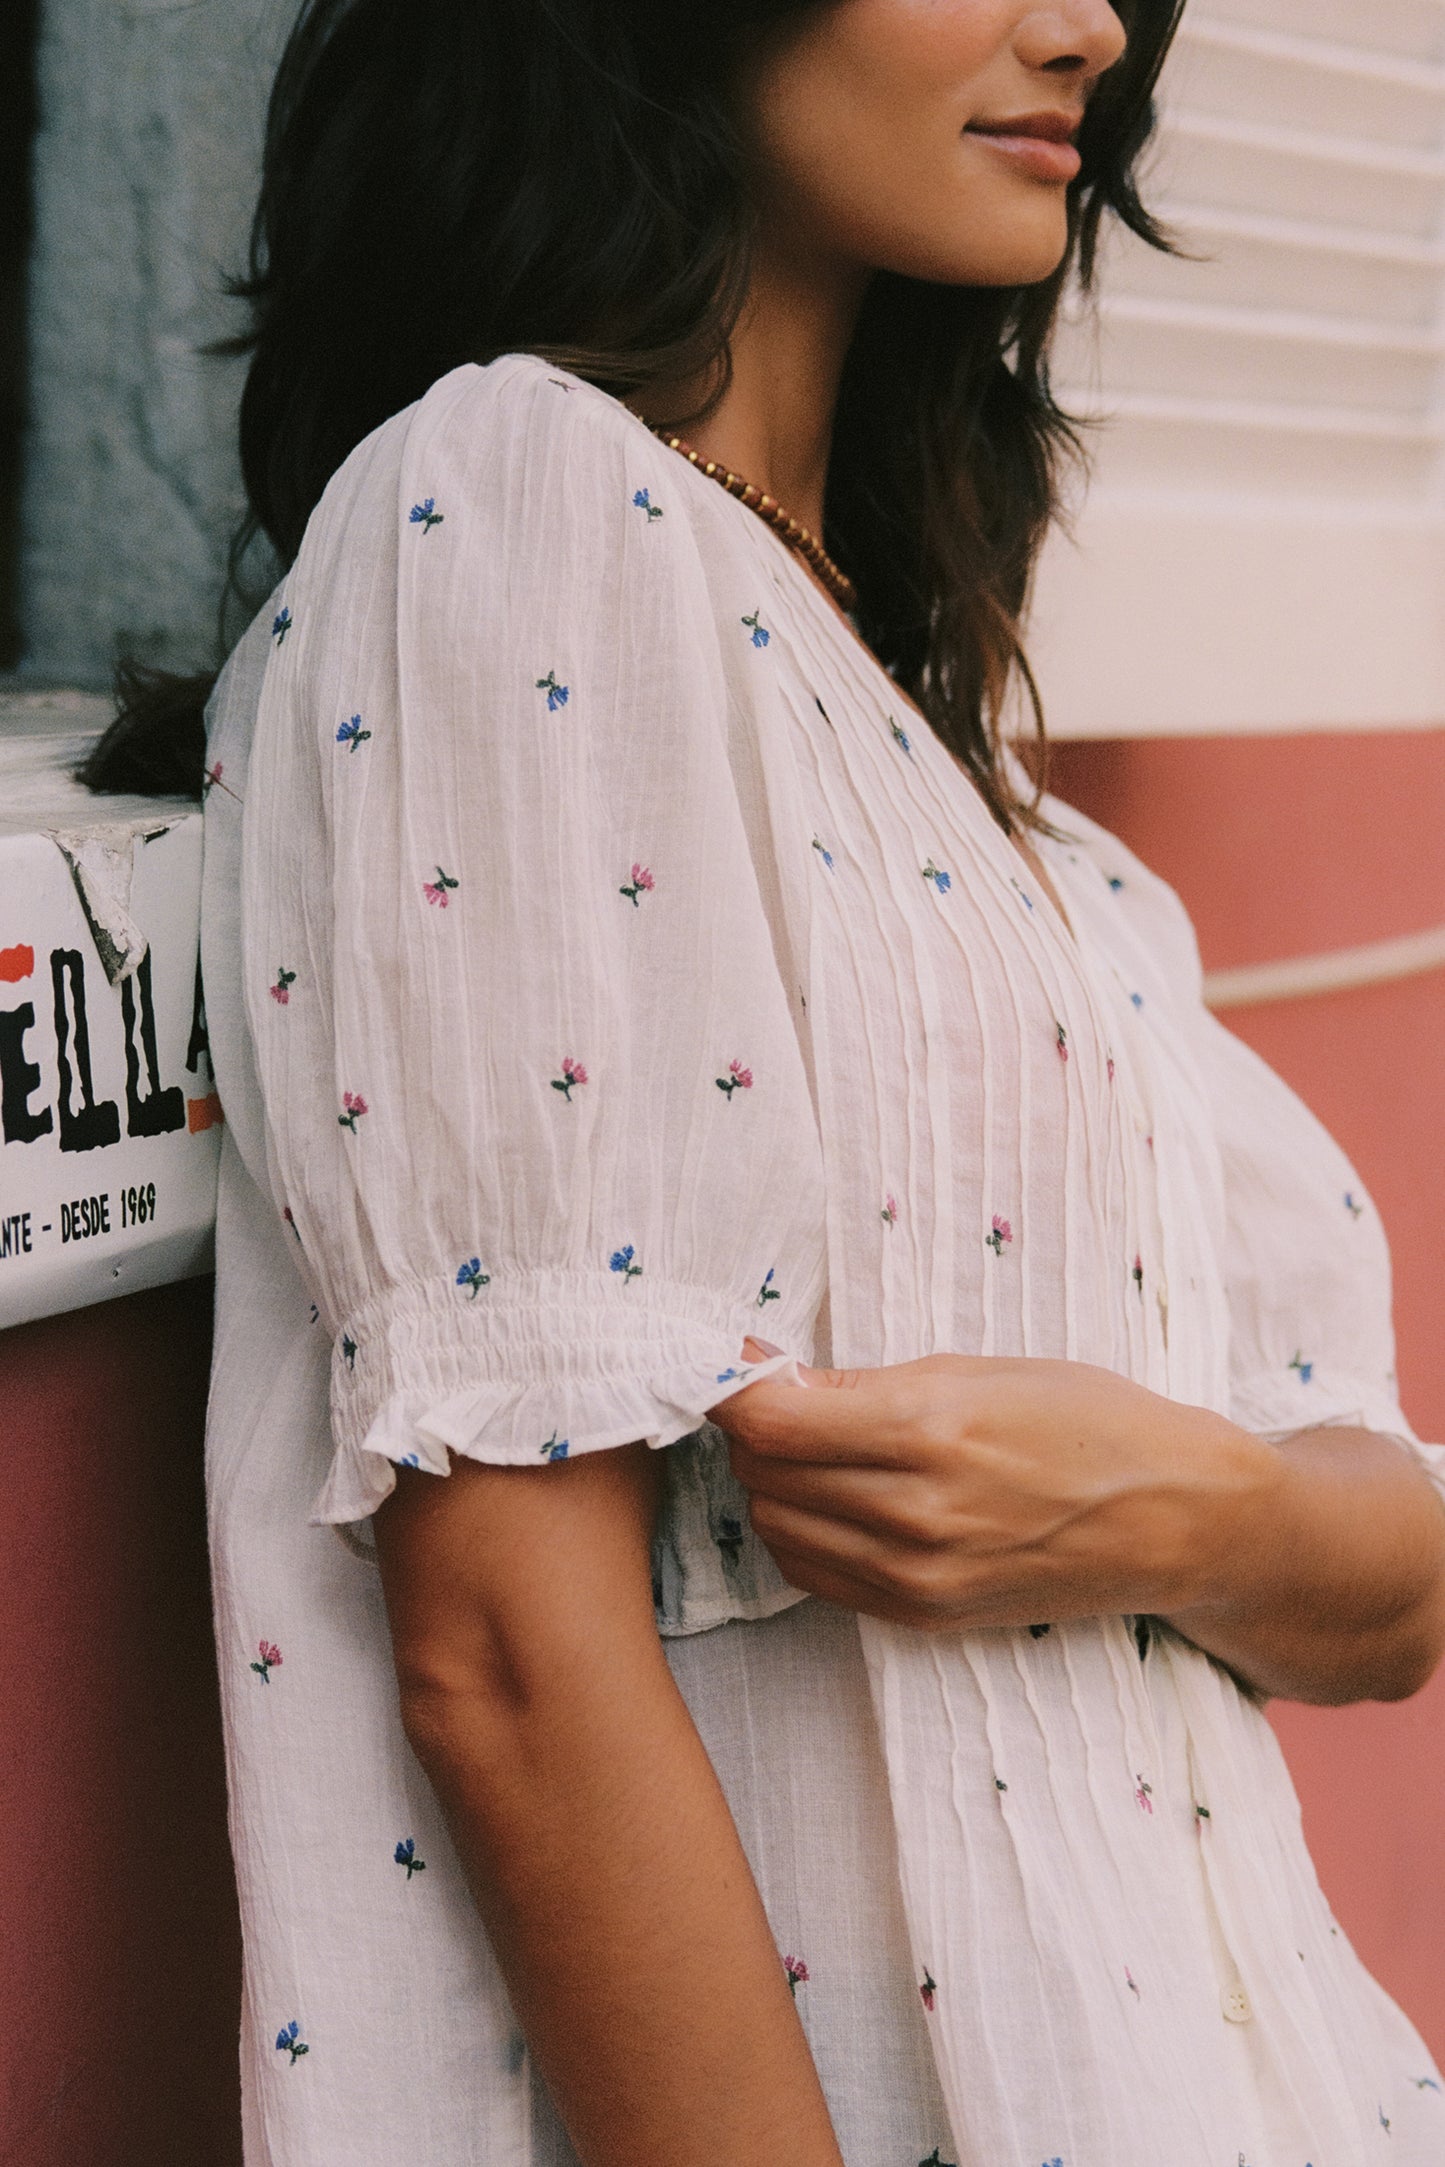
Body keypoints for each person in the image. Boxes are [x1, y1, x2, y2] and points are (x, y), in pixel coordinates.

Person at [86, 1, 1445, 2160]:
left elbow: (1395, 1578)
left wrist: (1168, 1503)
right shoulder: (517, 504)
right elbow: (511, 1657)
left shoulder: (982, 789)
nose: (1087, 19)